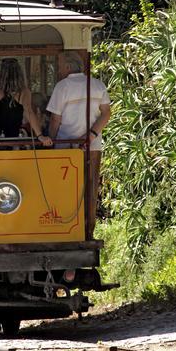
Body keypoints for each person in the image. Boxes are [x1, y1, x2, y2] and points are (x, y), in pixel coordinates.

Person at [47, 51, 111, 238]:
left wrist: (50, 141)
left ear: (67, 67)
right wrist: (91, 135)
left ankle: (65, 231)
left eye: (59, 65)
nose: (58, 69)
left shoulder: (63, 86)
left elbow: (55, 120)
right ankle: (87, 232)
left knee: (66, 190)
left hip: (66, 147)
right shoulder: (97, 85)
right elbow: (106, 113)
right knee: (90, 189)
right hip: (92, 147)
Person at [0, 58, 52, 146]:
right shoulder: (23, 92)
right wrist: (40, 135)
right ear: (19, 74)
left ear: (1, 74)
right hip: (15, 138)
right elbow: (29, 111)